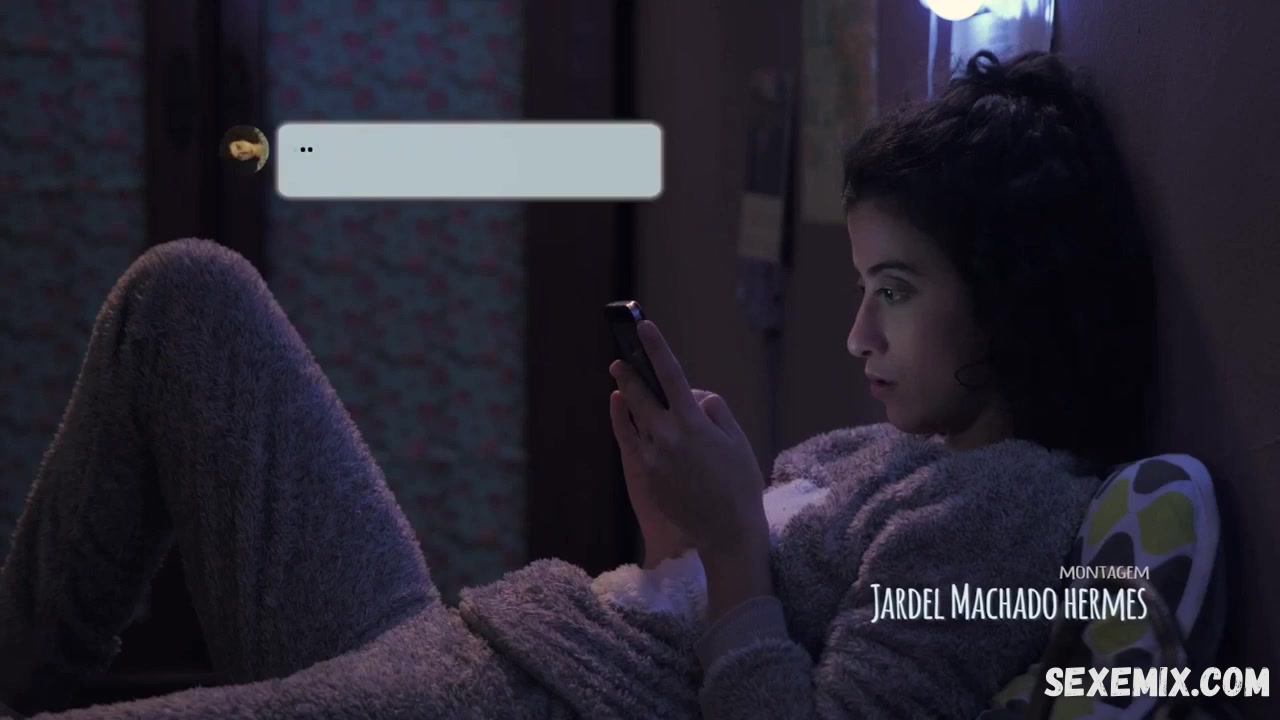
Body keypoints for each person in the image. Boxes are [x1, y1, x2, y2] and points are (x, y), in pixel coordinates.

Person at [0, 50, 1154, 719]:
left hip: (511, 700)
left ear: (1009, 298)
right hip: (485, 642)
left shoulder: (1003, 505)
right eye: (861, 287)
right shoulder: (883, 451)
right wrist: (677, 532)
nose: (855, 337)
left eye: (891, 291)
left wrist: (730, 547)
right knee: (183, 299)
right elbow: (695, 618)